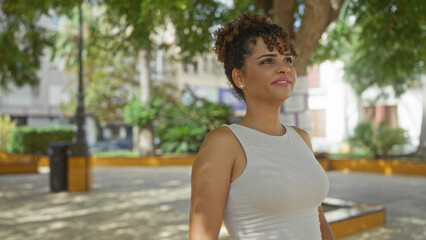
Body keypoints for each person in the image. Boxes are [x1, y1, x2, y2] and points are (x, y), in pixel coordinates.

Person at [189, 13, 334, 240]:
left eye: (287, 59)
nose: (283, 68)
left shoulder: (301, 138)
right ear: (239, 78)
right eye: (267, 61)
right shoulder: (224, 143)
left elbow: (316, 219)